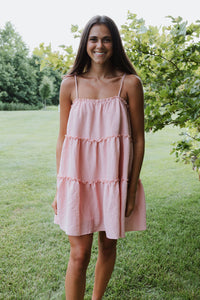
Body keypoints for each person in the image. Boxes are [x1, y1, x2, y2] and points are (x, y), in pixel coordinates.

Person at [52, 15, 146, 300]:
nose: (100, 45)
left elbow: (139, 140)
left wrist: (131, 190)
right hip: (78, 180)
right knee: (79, 254)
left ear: (114, 43)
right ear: (86, 43)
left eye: (106, 39)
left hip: (113, 180)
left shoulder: (129, 84)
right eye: (94, 39)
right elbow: (63, 139)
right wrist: (60, 187)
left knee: (108, 247)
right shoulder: (71, 84)